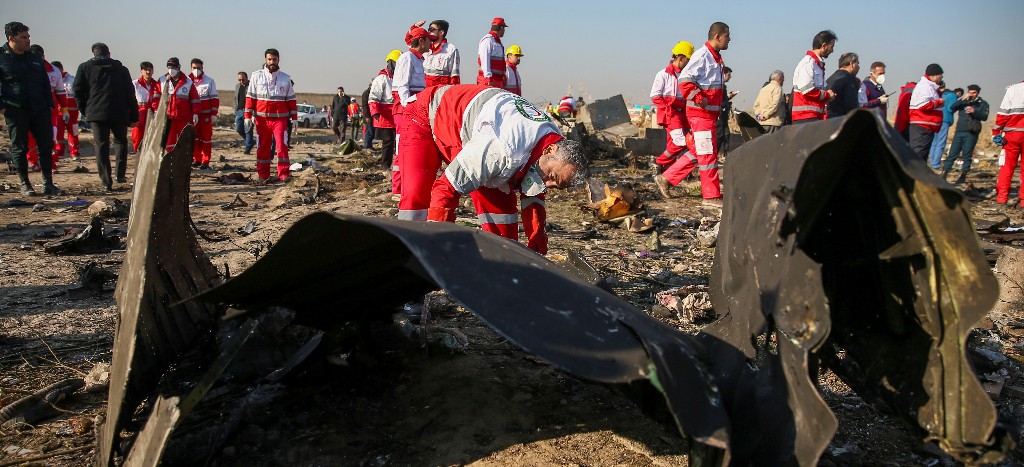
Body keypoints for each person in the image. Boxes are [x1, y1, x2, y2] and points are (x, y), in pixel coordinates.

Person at [396, 84, 588, 254]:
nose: (548, 184)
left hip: (474, 128)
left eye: (556, 185)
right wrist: (438, 247)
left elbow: (534, 192)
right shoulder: (502, 150)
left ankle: (502, 269)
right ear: (549, 150)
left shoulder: (553, 140)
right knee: (416, 197)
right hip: (426, 114)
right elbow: (446, 189)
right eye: (552, 176)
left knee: (503, 224)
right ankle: (406, 257)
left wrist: (537, 240)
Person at [0, 21, 62, 195]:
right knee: (20, 148)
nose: (28, 40)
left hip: (40, 108)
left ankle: (48, 183)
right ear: (11, 38)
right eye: (23, 37)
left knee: (45, 146)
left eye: (28, 37)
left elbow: (44, 82)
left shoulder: (34, 56)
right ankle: (25, 184)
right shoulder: (1, 57)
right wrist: (2, 108)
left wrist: (49, 105)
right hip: (15, 109)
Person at [73, 42, 138, 192]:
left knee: (101, 145)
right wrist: (134, 115)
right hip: (119, 112)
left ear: (93, 54)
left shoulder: (84, 68)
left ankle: (106, 182)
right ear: (109, 53)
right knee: (120, 142)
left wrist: (84, 109)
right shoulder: (121, 69)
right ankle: (120, 175)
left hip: (96, 113)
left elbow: (77, 90)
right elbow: (130, 93)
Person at [678, 21, 731, 207]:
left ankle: (666, 179)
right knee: (708, 155)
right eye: (727, 36)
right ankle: (711, 196)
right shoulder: (703, 56)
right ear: (717, 36)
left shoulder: (714, 57)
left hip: (708, 115)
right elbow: (684, 80)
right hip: (700, 114)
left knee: (698, 152)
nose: (730, 40)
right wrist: (699, 98)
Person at [244, 48, 297, 184]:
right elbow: (250, 97)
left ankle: (284, 174)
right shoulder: (256, 76)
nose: (272, 62)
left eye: (274, 59)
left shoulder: (286, 78)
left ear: (278, 60)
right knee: (262, 147)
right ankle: (263, 174)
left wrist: (295, 118)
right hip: (262, 120)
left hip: (280, 120)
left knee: (282, 146)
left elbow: (291, 99)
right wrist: (247, 116)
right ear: (265, 60)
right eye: (269, 59)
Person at [392, 24, 432, 198]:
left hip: (413, 109)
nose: (431, 43)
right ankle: (397, 189)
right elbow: (402, 86)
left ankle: (406, 187)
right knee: (402, 149)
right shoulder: (407, 58)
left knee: (410, 148)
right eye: (428, 40)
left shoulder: (418, 59)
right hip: (404, 110)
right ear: (421, 41)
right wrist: (409, 105)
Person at [650, 40, 693, 197]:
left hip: (682, 113)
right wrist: (669, 109)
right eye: (688, 59)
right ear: (680, 57)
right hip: (671, 113)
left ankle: (665, 178)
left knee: (673, 144)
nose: (689, 62)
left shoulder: (685, 75)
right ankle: (659, 163)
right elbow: (655, 96)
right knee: (680, 143)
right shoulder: (663, 74)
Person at [25, 44, 68, 173]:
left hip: (49, 111)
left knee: (50, 138)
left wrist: (64, 109)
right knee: (30, 138)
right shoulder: (24, 68)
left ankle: (51, 163)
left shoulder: (54, 70)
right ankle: (33, 162)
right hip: (29, 109)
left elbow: (60, 91)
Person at [940, 84, 989, 184]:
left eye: (974, 92)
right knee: (952, 154)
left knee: (967, 155)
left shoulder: (982, 103)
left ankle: (963, 175)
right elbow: (952, 108)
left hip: (971, 132)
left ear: (978, 93)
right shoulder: (964, 102)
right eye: (970, 92)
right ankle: (944, 173)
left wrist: (974, 111)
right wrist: (961, 100)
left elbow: (984, 116)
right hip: (959, 131)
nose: (972, 94)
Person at [792, 30, 837, 123]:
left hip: (814, 116)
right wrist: (827, 94)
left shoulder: (817, 65)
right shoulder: (808, 63)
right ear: (824, 46)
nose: (832, 51)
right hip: (805, 117)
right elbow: (808, 90)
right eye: (831, 47)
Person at [992, 81, 1024, 208]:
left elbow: (1003, 114)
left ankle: (1002, 199)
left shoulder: (1013, 89)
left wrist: (996, 132)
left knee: (1007, 167)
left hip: (1012, 134)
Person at [160, 57, 199, 153]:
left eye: (173, 67)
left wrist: (195, 113)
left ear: (178, 68)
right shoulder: (162, 81)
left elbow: (195, 99)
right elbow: (156, 97)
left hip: (183, 117)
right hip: (168, 117)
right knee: (170, 141)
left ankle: (183, 161)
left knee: (184, 140)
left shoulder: (188, 82)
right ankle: (169, 160)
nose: (171, 69)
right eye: (169, 67)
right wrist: (157, 111)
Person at [369, 50, 399, 175]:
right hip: (385, 116)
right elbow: (373, 97)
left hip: (396, 115)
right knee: (388, 141)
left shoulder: (398, 78)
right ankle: (385, 165)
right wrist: (375, 113)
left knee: (398, 141)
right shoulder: (381, 78)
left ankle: (398, 164)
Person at [908, 64, 945, 162]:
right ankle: (915, 175)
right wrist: (939, 102)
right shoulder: (925, 86)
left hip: (926, 126)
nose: (942, 78)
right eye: (941, 75)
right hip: (922, 126)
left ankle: (918, 175)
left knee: (922, 154)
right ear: (934, 76)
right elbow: (923, 105)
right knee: (918, 155)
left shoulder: (930, 87)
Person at [188, 58, 217, 170]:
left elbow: (214, 98)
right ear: (191, 68)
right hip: (192, 116)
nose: (196, 70)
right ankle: (196, 159)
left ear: (202, 68)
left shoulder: (209, 81)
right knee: (193, 138)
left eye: (198, 68)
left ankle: (205, 160)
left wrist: (214, 113)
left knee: (206, 139)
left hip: (205, 116)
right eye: (194, 68)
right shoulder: (186, 81)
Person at [52, 61, 81, 161]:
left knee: (73, 133)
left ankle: (75, 153)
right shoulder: (53, 80)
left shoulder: (72, 80)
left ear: (61, 69)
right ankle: (59, 153)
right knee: (58, 134)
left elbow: (78, 95)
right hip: (59, 113)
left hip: (72, 114)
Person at [928, 85, 961, 168]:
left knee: (934, 142)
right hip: (945, 120)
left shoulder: (940, 94)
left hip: (936, 119)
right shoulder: (953, 96)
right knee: (941, 143)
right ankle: (936, 164)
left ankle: (932, 161)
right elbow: (951, 108)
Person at [131, 62, 160, 154]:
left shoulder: (157, 85)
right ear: (141, 71)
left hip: (152, 115)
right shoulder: (135, 84)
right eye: (145, 70)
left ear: (153, 71)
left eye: (150, 70)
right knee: (137, 138)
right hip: (138, 116)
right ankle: (138, 157)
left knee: (152, 139)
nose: (148, 72)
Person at [424, 19, 460, 86]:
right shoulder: (425, 47)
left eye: (431, 29)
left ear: (441, 32)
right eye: (428, 29)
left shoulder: (451, 49)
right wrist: (414, 27)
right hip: (424, 92)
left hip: (440, 92)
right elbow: (412, 44)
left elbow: (454, 77)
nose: (429, 32)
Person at [825, 52, 861, 119]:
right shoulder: (850, 79)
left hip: (828, 120)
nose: (859, 67)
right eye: (857, 63)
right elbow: (851, 105)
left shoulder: (829, 79)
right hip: (842, 120)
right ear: (852, 64)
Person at [477, 17, 507, 87]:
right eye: (504, 28)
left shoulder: (496, 41)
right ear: (501, 27)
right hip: (488, 80)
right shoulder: (488, 40)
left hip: (496, 80)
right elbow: (485, 60)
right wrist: (488, 77)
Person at [716, 66, 735, 156]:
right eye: (728, 74)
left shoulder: (723, 85)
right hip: (720, 114)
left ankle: (726, 154)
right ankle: (714, 155)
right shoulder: (719, 85)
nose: (730, 77)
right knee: (719, 135)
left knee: (726, 134)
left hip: (724, 114)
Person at [234, 71, 253, 154]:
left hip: (248, 111)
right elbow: (235, 98)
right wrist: (236, 109)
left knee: (248, 129)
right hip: (239, 110)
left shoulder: (251, 86)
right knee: (238, 128)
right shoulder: (237, 86)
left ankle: (248, 147)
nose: (241, 81)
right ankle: (250, 141)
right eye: (239, 80)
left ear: (247, 78)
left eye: (243, 79)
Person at [360, 83, 374, 148]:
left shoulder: (373, 93)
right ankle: (367, 146)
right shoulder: (366, 94)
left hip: (372, 115)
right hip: (368, 116)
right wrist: (367, 116)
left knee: (372, 132)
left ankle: (369, 145)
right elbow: (365, 106)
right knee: (369, 131)